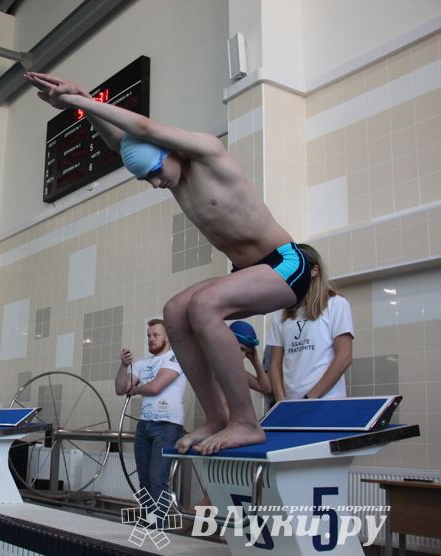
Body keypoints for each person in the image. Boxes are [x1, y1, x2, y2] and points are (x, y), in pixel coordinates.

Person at [26, 72, 310, 455]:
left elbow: (142, 126)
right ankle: (215, 416)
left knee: (204, 305)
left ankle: (246, 422)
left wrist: (79, 103)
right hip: (246, 272)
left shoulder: (209, 154)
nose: (157, 184)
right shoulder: (172, 176)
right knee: (175, 311)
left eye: (157, 173)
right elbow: (122, 140)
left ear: (170, 153)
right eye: (147, 180)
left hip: (286, 263)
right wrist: (84, 101)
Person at [266, 244, 354, 400]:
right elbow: (274, 365)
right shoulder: (280, 314)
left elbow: (344, 357)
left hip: (326, 401)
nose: (290, 277)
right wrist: (282, 402)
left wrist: (311, 397)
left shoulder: (336, 304)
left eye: (296, 270)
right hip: (291, 403)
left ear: (314, 271)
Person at [114, 319, 187, 500]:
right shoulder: (141, 363)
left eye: (155, 335)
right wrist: (123, 366)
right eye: (148, 336)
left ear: (167, 337)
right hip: (144, 425)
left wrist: (136, 389)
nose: (151, 339)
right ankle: (149, 523)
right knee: (144, 480)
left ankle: (157, 526)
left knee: (157, 480)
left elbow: (155, 388)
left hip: (167, 425)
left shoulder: (175, 358)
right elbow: (120, 389)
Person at [228, 321, 271, 395]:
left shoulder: (235, 371)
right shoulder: (212, 365)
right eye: (241, 349)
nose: (243, 356)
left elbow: (266, 388)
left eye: (247, 352)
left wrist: (255, 361)